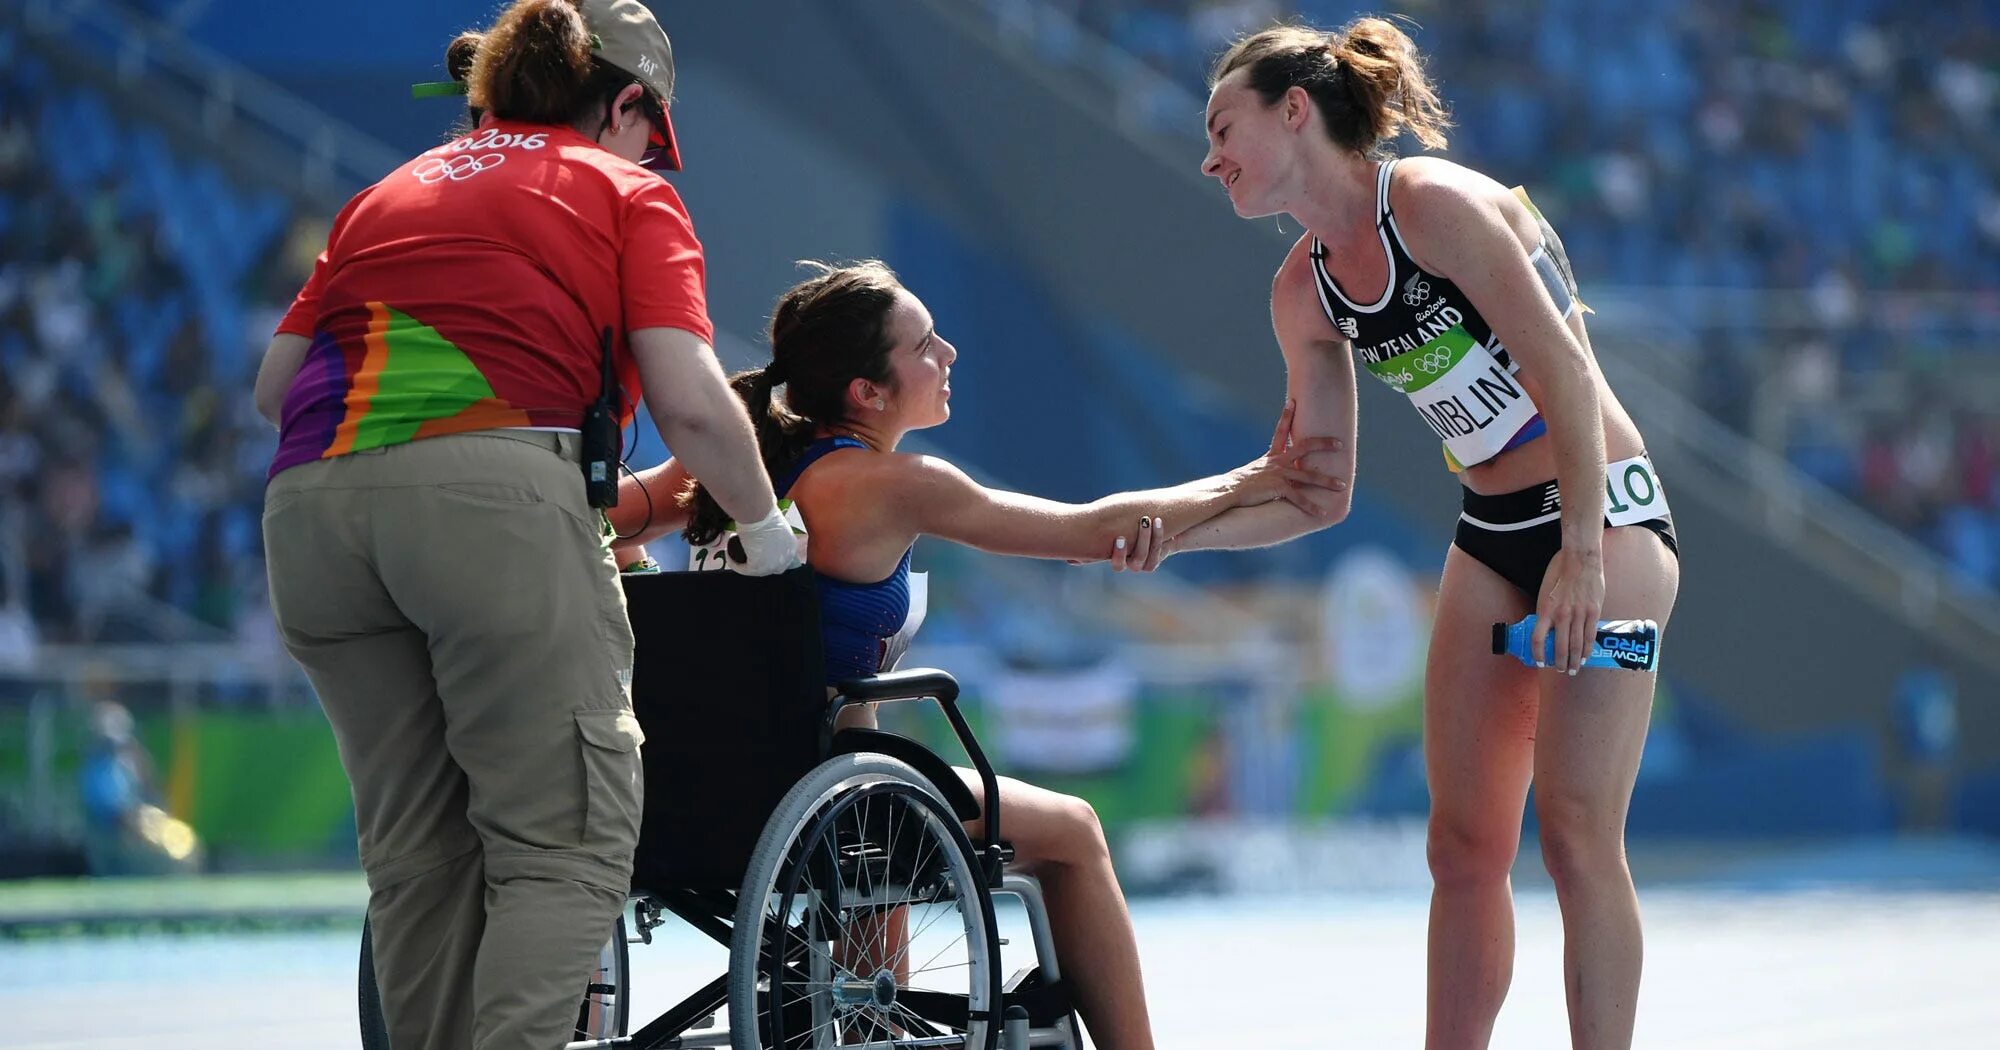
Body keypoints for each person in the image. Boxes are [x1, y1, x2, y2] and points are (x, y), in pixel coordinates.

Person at [607, 259, 1347, 1050]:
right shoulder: (898, 485)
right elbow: (1086, 532)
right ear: (869, 392)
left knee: (871, 799)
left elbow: (604, 523)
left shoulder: (728, 459)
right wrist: (1253, 477)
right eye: (925, 345)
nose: (949, 354)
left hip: (692, 791)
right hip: (823, 789)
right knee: (1074, 832)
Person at [250, 2, 799, 1047]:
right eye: (651, 134)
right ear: (625, 103)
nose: (653, 158)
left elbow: (276, 388)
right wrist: (768, 533)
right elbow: (687, 399)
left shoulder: (384, 193)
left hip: (310, 513)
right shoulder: (623, 191)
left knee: (420, 859)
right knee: (566, 848)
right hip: (489, 506)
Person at [1170, 18, 1683, 1050]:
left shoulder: (1433, 203)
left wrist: (1581, 552)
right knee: (1460, 848)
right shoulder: (1300, 292)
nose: (1208, 155)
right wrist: (1172, 531)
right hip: (1491, 532)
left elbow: (1565, 374)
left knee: (1577, 838)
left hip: (1605, 517)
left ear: (1295, 111)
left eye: (1223, 125)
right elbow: (1313, 492)